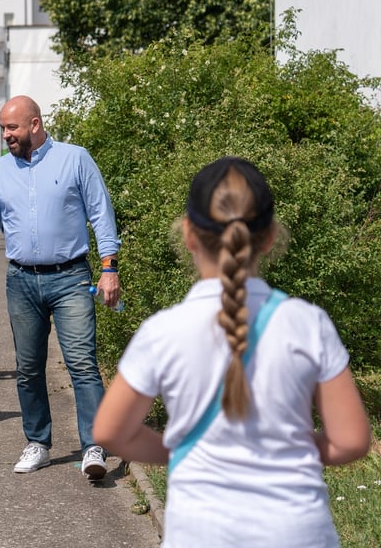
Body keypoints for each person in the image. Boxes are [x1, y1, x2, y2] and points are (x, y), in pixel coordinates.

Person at [92, 157, 371, 547]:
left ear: (188, 234)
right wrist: (287, 447)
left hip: (200, 531)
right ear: (270, 236)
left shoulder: (163, 332)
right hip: (298, 532)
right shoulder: (308, 324)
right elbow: (352, 440)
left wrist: (178, 450)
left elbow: (109, 430)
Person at [0, 95, 120, 481]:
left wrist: (109, 267)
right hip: (21, 280)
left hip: (70, 277)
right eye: (3, 128)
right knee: (28, 368)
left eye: (12, 128)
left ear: (34, 124)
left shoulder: (75, 158)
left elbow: (101, 212)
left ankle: (94, 446)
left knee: (82, 363)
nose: (6, 135)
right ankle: (38, 442)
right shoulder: (0, 171)